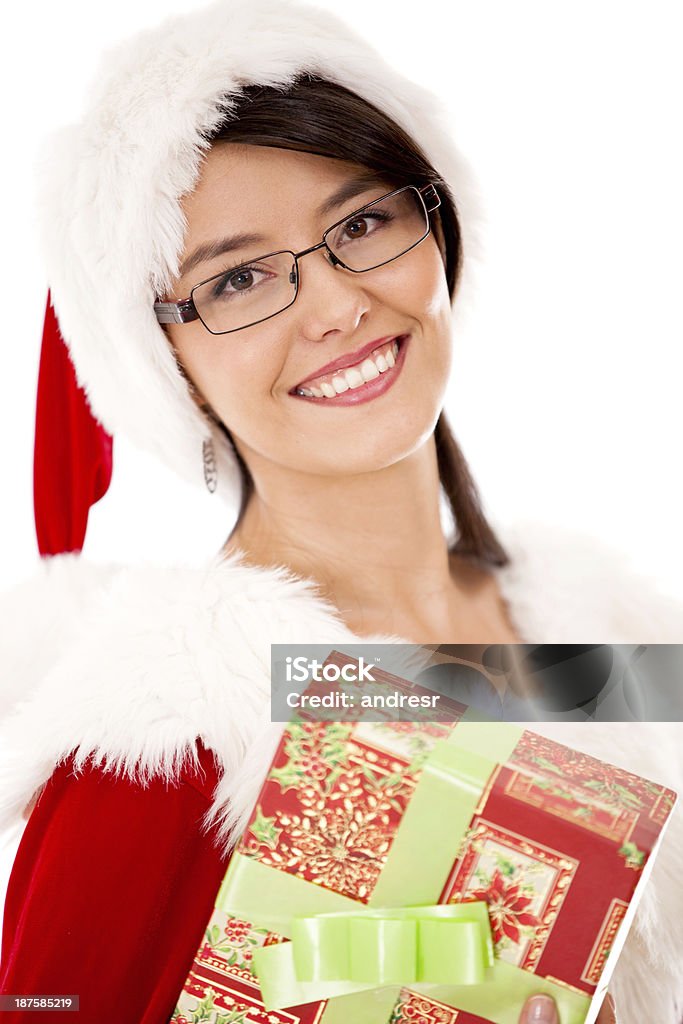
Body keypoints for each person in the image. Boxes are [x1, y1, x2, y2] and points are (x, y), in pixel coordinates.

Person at [0, 1, 681, 1022]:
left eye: (361, 223)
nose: (332, 307)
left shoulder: (614, 642)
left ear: (436, 227)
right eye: (234, 280)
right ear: (165, 362)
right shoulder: (160, 734)